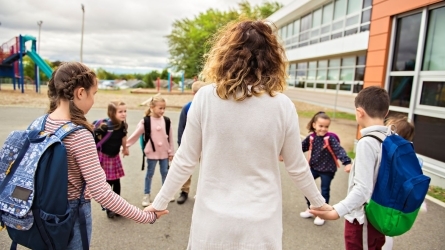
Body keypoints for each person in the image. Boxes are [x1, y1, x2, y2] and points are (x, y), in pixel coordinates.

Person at [145, 20, 332, 249]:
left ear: (225, 55)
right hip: (261, 223)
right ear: (272, 58)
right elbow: (296, 166)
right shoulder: (282, 105)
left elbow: (186, 158)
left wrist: (160, 201)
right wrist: (319, 203)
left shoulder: (205, 98)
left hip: (213, 223)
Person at [45, 62, 168, 249]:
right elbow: (102, 193)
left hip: (44, 210)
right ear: (80, 93)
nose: (93, 100)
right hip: (70, 215)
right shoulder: (79, 135)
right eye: (93, 94)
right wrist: (146, 216)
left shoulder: (41, 123)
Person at [310, 86, 390, 249]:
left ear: (359, 112)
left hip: (362, 219)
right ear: (386, 113)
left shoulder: (367, 142)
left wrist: (337, 211)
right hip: (380, 215)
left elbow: (363, 189)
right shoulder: (391, 137)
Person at [381, 115, 427, 250]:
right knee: (388, 229)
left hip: (388, 197)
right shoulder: (413, 155)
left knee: (382, 228)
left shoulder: (391, 152)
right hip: (400, 200)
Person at [300, 111, 352, 226]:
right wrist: (285, 154)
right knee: (307, 186)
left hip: (328, 170)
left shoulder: (330, 138)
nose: (323, 129)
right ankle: (311, 208)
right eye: (321, 126)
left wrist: (347, 162)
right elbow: (299, 148)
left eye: (326, 126)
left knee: (324, 190)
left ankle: (322, 214)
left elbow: (339, 150)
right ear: (314, 125)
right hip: (314, 167)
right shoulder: (311, 138)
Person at [126, 94, 175, 207]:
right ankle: (146, 195)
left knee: (165, 173)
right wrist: (126, 145)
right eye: (160, 108)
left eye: (164, 108)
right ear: (152, 107)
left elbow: (171, 138)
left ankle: (165, 194)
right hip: (151, 153)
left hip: (164, 153)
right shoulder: (146, 121)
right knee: (149, 174)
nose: (162, 111)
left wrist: (171, 152)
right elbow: (136, 135)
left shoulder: (167, 121)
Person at [94, 101, 129, 218]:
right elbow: (94, 137)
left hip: (115, 157)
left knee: (117, 182)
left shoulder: (123, 125)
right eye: (120, 112)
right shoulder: (105, 127)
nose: (124, 114)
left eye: (125, 111)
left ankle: (118, 206)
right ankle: (109, 207)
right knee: (108, 183)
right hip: (105, 158)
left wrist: (125, 148)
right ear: (112, 113)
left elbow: (124, 137)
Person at [176, 80, 205, 204]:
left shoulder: (208, 108)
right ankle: (184, 191)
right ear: (194, 94)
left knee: (205, 169)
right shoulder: (187, 107)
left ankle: (202, 192)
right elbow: (181, 126)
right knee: (186, 169)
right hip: (190, 145)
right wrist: (181, 143)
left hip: (205, 146)